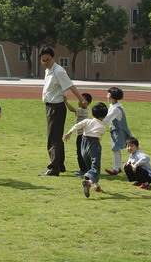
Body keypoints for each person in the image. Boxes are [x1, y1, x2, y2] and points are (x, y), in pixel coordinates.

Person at [39, 47, 88, 177]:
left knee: (53, 138)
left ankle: (53, 168)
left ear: (54, 58)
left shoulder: (59, 71)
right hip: (51, 107)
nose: (46, 62)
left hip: (56, 107)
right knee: (56, 137)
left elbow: (70, 85)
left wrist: (81, 99)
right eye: (43, 60)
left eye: (48, 60)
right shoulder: (48, 71)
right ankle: (59, 165)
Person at [63, 102, 108, 197]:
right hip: (94, 145)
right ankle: (89, 182)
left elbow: (77, 126)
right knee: (95, 168)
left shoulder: (87, 121)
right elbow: (99, 138)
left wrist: (69, 133)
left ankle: (97, 185)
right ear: (104, 116)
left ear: (92, 113)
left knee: (90, 168)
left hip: (83, 144)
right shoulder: (102, 127)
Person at [103, 87, 133, 175]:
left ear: (113, 96)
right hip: (117, 130)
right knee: (117, 149)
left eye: (108, 95)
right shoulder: (114, 106)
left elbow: (106, 120)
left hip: (118, 131)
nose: (107, 96)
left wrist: (95, 121)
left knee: (116, 148)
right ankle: (118, 167)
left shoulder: (116, 109)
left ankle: (116, 169)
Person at [64, 93, 93, 175]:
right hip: (84, 135)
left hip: (81, 135)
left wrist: (65, 102)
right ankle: (87, 168)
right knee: (84, 152)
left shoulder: (84, 111)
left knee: (80, 152)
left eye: (82, 100)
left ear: (88, 103)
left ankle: (83, 169)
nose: (79, 101)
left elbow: (71, 109)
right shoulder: (86, 111)